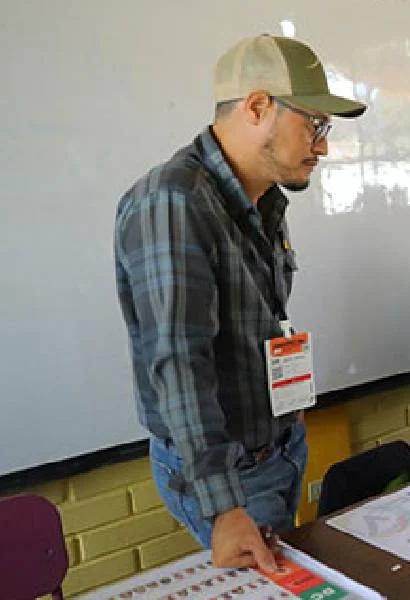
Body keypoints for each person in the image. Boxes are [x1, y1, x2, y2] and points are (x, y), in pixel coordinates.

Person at [115, 35, 366, 571]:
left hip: (276, 448)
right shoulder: (173, 201)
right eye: (315, 125)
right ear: (258, 106)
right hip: (229, 475)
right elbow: (179, 362)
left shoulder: (264, 200)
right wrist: (224, 506)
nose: (323, 146)